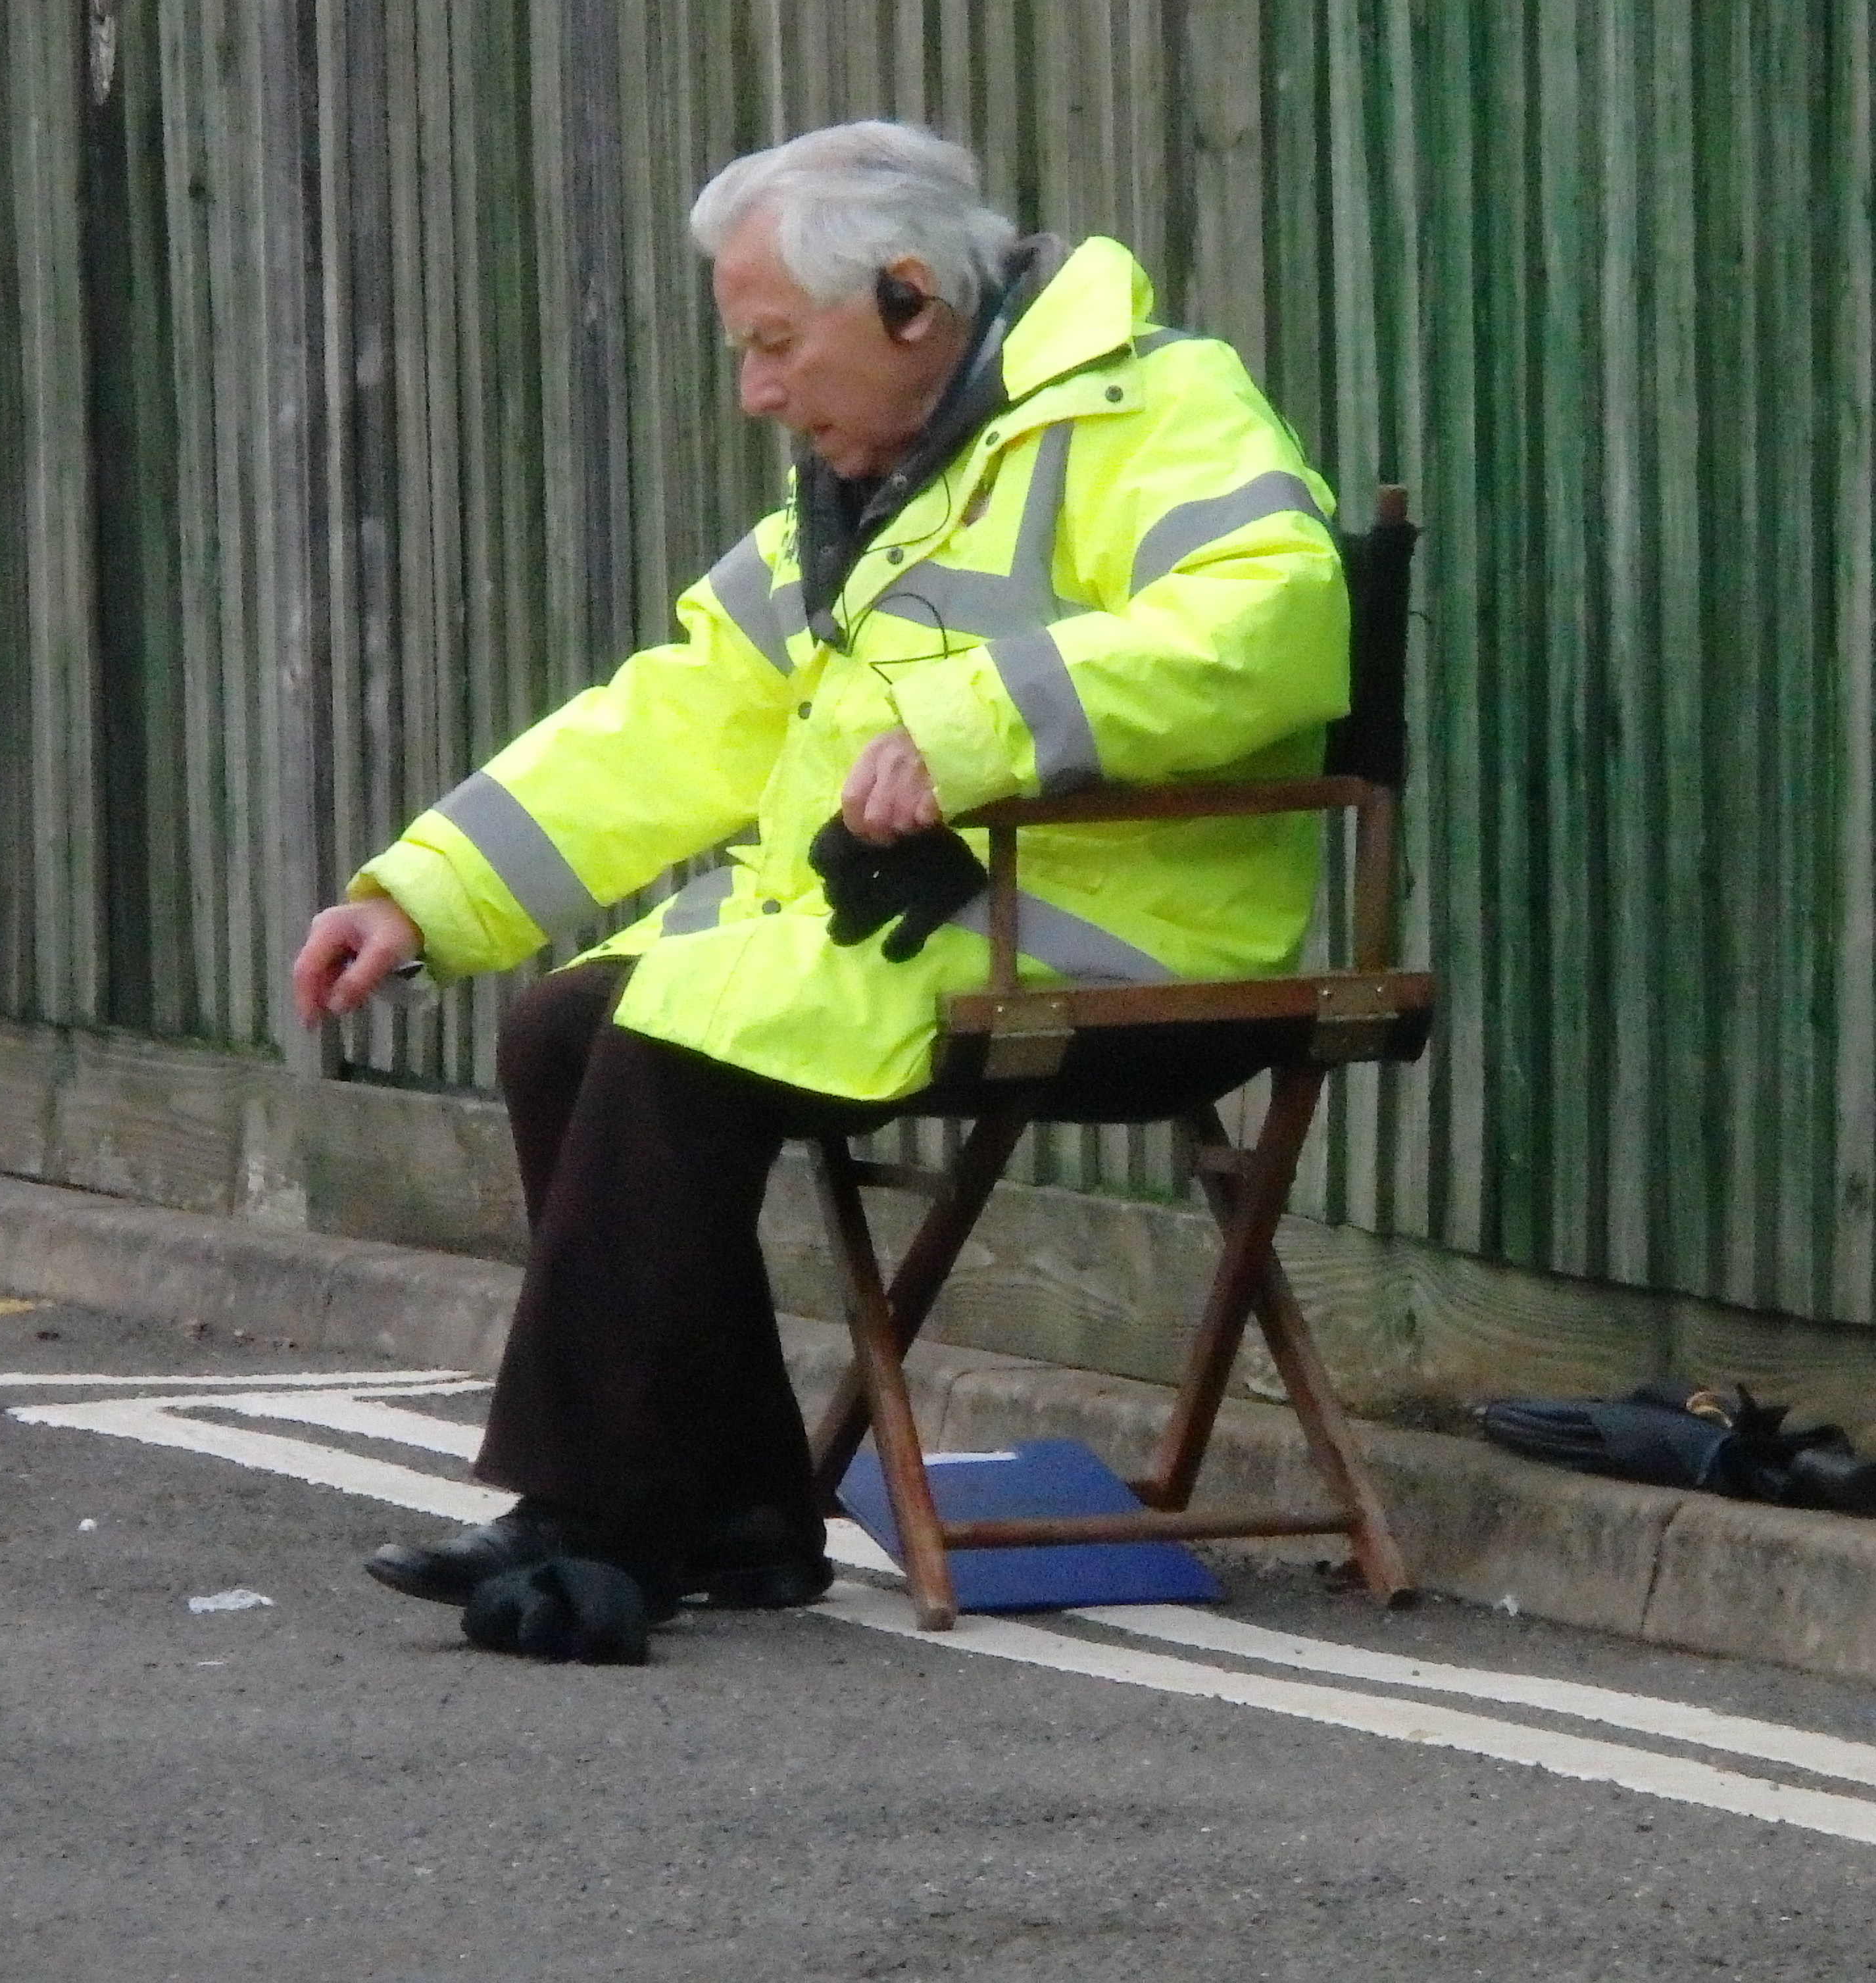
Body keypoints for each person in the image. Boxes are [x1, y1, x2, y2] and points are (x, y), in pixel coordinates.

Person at [291, 118, 1346, 1646]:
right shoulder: (871, 482)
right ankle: (734, 1509)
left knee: (669, 1051)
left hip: (1124, 937)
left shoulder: (1163, 406)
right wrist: (422, 892)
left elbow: (1279, 622)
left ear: (911, 299)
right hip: (938, 924)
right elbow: (680, 713)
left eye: (779, 346)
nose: (758, 392)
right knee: (567, 1026)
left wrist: (970, 726)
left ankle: (598, 1511)